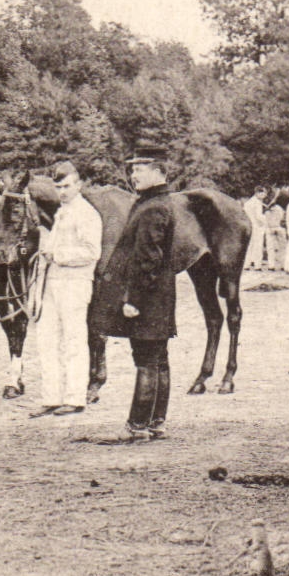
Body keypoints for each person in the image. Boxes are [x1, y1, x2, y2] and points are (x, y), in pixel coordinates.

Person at [96, 144, 179, 441]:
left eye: (139, 169)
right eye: (132, 169)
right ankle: (156, 422)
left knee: (146, 358)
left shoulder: (153, 207)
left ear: (158, 171)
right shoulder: (154, 202)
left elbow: (148, 260)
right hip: (159, 296)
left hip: (149, 297)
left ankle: (138, 425)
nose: (133, 175)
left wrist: (134, 300)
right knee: (158, 358)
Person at [28, 160, 102, 417]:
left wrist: (56, 254)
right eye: (58, 187)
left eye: (67, 186)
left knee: (73, 340)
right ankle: (51, 397)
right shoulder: (62, 212)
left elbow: (92, 252)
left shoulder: (86, 213)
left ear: (79, 185)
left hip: (75, 283)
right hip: (52, 283)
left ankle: (74, 397)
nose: (63, 191)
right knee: (46, 340)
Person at [242, 187, 268, 270]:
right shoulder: (257, 203)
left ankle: (246, 264)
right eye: (263, 193)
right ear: (258, 193)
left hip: (249, 225)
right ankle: (258, 265)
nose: (265, 195)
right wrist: (266, 219)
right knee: (258, 246)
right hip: (256, 226)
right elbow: (259, 216)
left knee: (249, 246)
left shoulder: (248, 202)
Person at [264, 198, 287, 273]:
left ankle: (272, 265)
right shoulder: (279, 209)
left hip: (271, 228)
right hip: (278, 228)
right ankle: (282, 264)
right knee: (281, 247)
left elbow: (266, 221)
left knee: (271, 248)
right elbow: (282, 218)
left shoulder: (267, 210)